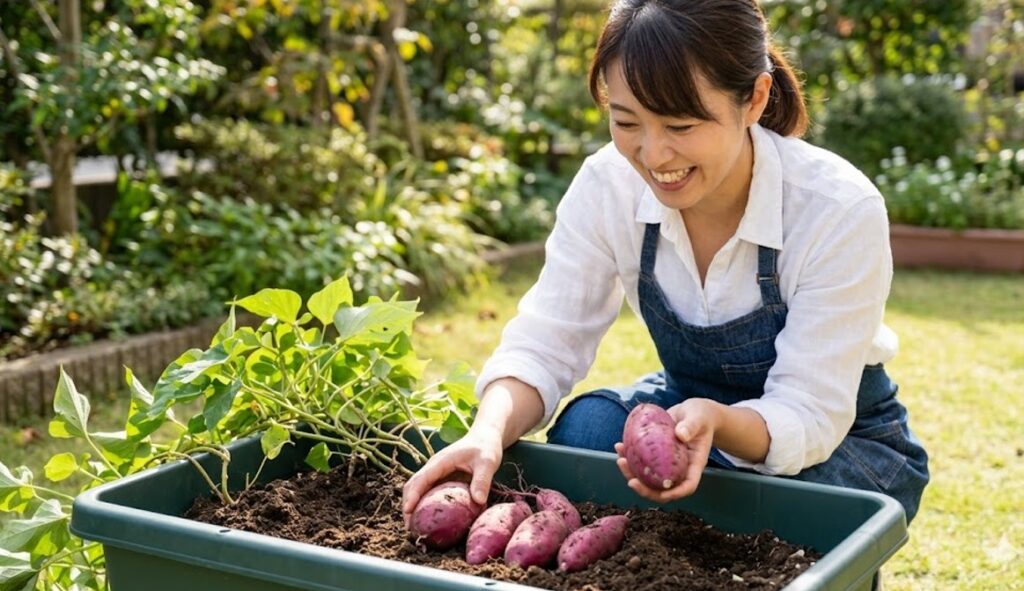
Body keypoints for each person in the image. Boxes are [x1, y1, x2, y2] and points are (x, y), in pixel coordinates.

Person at [402, 0, 929, 528]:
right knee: (586, 431)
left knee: (762, 505)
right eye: (626, 121)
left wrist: (718, 423)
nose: (654, 156)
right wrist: (487, 433)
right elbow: (546, 341)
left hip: (835, 441)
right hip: (688, 413)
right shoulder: (609, 184)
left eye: (680, 125)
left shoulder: (834, 207)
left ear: (754, 99)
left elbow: (810, 412)